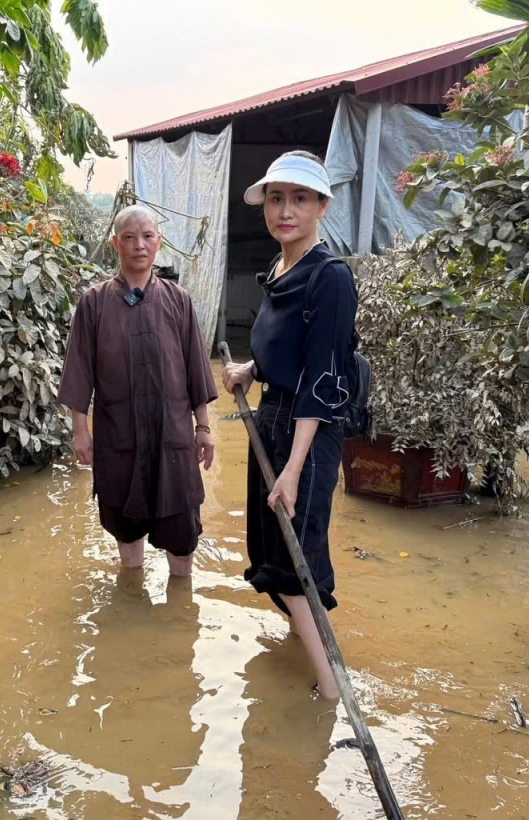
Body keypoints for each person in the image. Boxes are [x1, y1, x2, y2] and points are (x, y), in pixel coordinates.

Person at [221, 151, 360, 701]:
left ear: (321, 206)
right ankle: (301, 645)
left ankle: (331, 693)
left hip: (309, 429)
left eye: (300, 199)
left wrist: (295, 470)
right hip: (275, 419)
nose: (286, 210)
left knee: (295, 552)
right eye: (276, 198)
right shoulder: (282, 269)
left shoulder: (330, 280)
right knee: (276, 549)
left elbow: (322, 378)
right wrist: (250, 369)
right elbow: (289, 350)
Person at [59, 206, 218, 577]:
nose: (139, 245)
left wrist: (204, 428)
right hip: (120, 438)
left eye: (147, 236)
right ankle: (132, 604)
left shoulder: (179, 300)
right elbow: (79, 370)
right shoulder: (94, 303)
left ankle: (178, 619)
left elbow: (196, 368)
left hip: (173, 439)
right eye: (129, 237)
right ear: (116, 243)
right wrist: (80, 433)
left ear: (158, 242)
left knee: (182, 536)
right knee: (126, 531)